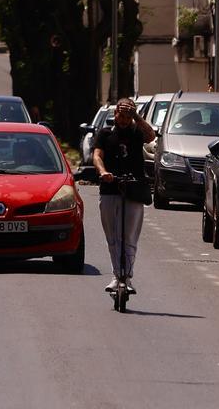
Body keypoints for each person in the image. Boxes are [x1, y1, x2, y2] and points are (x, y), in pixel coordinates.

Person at [92, 97, 156, 294]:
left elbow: (151, 136)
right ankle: (115, 275)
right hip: (110, 189)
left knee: (129, 237)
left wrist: (136, 115)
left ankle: (126, 277)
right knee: (112, 236)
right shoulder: (105, 133)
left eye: (128, 117)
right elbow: (97, 156)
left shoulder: (137, 132)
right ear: (115, 114)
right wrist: (103, 173)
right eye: (121, 116)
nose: (124, 121)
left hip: (134, 189)